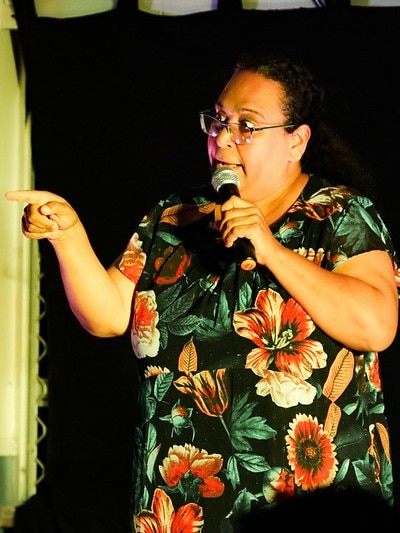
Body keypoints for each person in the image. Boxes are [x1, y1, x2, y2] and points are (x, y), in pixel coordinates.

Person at [5, 53, 400, 532]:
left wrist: (272, 250)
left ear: (296, 140)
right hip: (183, 504)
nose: (223, 137)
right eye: (218, 120)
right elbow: (108, 314)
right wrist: (67, 235)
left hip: (307, 509)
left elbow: (376, 325)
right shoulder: (175, 218)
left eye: (247, 126)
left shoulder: (340, 216)